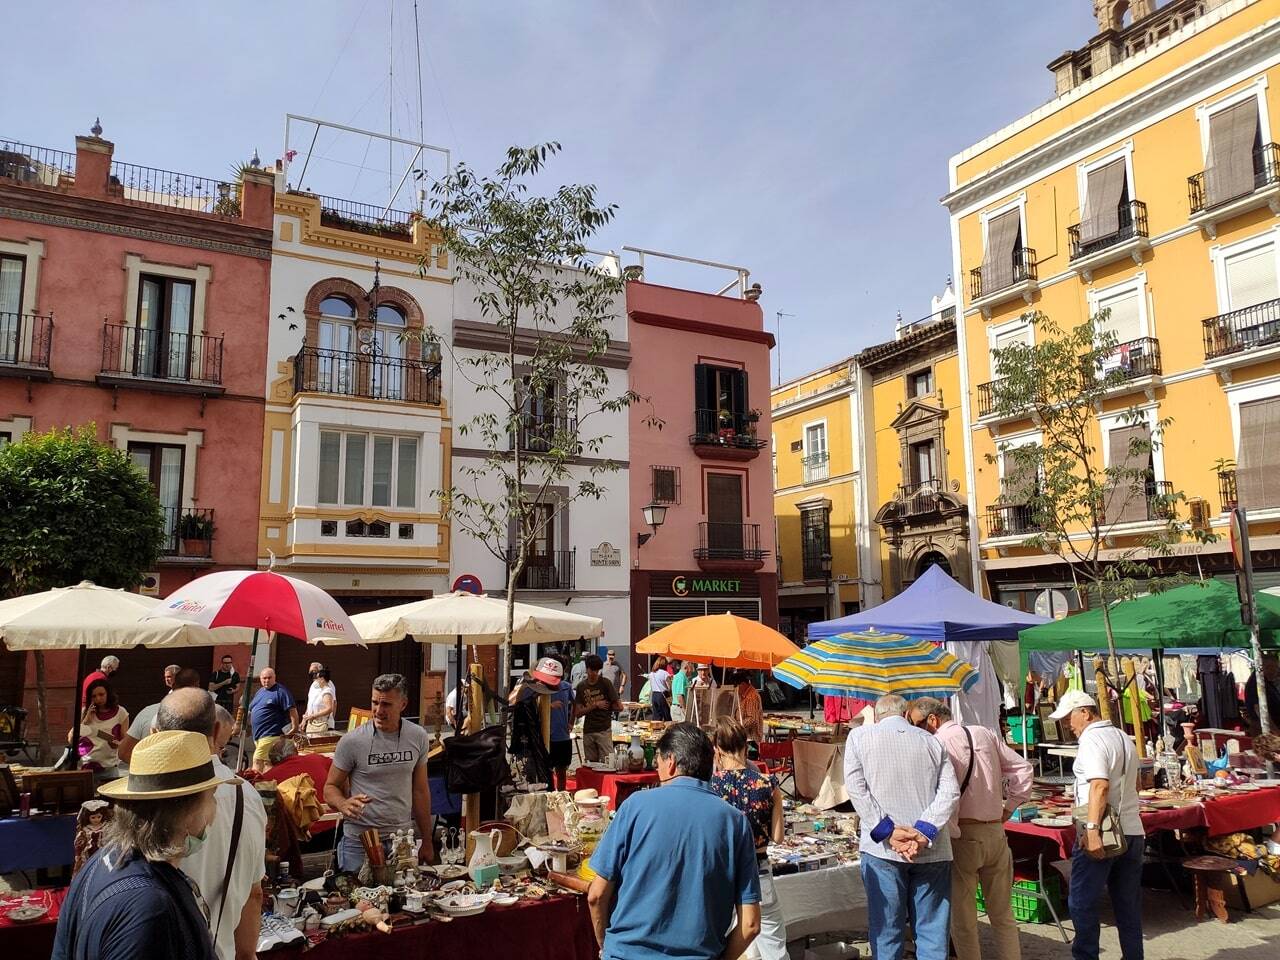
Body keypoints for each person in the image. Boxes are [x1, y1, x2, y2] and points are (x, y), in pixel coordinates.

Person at [588, 723, 761, 960]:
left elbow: (596, 895)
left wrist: (606, 945)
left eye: (657, 761)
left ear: (670, 762)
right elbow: (750, 924)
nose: (656, 768)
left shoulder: (635, 806)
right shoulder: (735, 822)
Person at [53, 730, 229, 960]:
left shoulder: (105, 859)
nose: (214, 809)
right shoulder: (150, 907)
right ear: (186, 814)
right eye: (211, 796)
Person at [911, 697, 1032, 960]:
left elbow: (940, 795)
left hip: (963, 834)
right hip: (995, 831)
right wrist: (1007, 809)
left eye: (918, 724)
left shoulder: (938, 743)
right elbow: (1023, 769)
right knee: (1002, 915)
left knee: (963, 920)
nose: (917, 729)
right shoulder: (983, 732)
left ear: (932, 720)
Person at [843, 694, 960, 960]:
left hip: (882, 851)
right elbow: (950, 793)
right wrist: (923, 831)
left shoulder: (859, 738)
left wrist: (889, 831)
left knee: (888, 932)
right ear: (907, 714)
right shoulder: (932, 741)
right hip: (932, 850)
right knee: (932, 934)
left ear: (878, 715)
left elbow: (857, 790)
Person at [155, 688, 266, 960]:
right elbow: (253, 894)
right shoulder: (246, 796)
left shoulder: (143, 794)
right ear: (217, 731)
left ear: (154, 734)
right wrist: (247, 955)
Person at [1050, 690, 1143, 960]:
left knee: (1081, 903)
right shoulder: (1122, 736)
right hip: (1132, 829)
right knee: (1127, 907)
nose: (1068, 724)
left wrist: (1091, 830)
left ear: (1085, 713)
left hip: (1104, 832)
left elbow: (1099, 786)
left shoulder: (1092, 739)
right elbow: (1132, 784)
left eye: (1070, 717)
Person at [324, 674, 436, 869]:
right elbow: (329, 787)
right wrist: (342, 803)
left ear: (403, 704)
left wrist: (426, 840)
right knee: (357, 898)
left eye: (386, 705)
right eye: (374, 703)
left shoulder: (418, 736)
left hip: (401, 840)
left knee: (405, 897)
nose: (378, 711)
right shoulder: (352, 741)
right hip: (359, 841)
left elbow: (420, 791)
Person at [711, 717, 786, 960]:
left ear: (718, 750)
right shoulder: (767, 784)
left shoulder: (710, 787)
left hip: (720, 872)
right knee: (773, 946)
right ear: (746, 746)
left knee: (721, 942)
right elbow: (778, 837)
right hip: (757, 870)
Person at [510, 658, 574, 790]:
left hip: (546, 742)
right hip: (528, 746)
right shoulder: (525, 689)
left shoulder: (564, 688)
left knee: (553, 773)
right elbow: (511, 702)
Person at [118, 668, 203, 765]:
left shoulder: (148, 712)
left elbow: (124, 752)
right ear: (198, 687)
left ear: (173, 686)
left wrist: (147, 770)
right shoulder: (204, 716)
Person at [71, 678, 129, 777]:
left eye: (101, 695)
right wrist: (85, 721)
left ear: (108, 694)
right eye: (94, 696)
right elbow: (71, 738)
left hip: (109, 768)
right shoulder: (84, 712)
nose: (98, 699)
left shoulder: (121, 712)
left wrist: (117, 744)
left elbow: (125, 741)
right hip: (85, 768)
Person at [248, 667, 299, 773]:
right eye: (264, 678)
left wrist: (294, 728)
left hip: (271, 735)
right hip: (259, 736)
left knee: (257, 761)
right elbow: (251, 708)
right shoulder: (260, 692)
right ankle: (268, 784)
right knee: (267, 763)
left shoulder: (281, 691)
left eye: (269, 678)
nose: (266, 680)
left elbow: (292, 709)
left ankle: (252, 785)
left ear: (275, 677)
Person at [575, 654, 622, 763]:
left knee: (608, 763)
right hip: (588, 731)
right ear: (587, 669)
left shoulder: (605, 683)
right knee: (591, 765)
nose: (595, 674)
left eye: (597, 671)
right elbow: (578, 712)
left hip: (604, 730)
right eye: (592, 670)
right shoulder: (581, 686)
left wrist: (608, 706)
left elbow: (619, 706)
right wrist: (595, 705)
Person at [257, 736, 333, 792]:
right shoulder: (317, 759)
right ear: (295, 751)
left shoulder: (269, 778)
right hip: (330, 811)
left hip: (295, 813)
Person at [1245, 652, 1280, 734]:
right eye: (1271, 667)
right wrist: (1276, 731)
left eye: (1276, 668)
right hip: (1265, 732)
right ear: (1262, 667)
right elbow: (1259, 710)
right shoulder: (1256, 683)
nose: (1275, 671)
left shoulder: (1266, 681)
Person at [300, 663, 337, 734]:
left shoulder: (328, 686)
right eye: (310, 672)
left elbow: (333, 705)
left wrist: (330, 721)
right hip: (312, 723)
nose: (311, 674)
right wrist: (304, 720)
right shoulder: (313, 685)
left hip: (322, 723)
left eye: (313, 672)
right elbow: (310, 704)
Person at [736, 673, 764, 743]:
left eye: (736, 686)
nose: (735, 689)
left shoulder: (751, 697)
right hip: (745, 736)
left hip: (751, 738)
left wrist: (737, 725)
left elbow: (752, 719)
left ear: (742, 684)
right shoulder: (743, 695)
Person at [647, 656, 672, 721]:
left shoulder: (652, 673)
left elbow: (651, 685)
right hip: (662, 695)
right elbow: (669, 687)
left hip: (654, 695)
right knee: (666, 715)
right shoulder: (665, 673)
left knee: (656, 717)